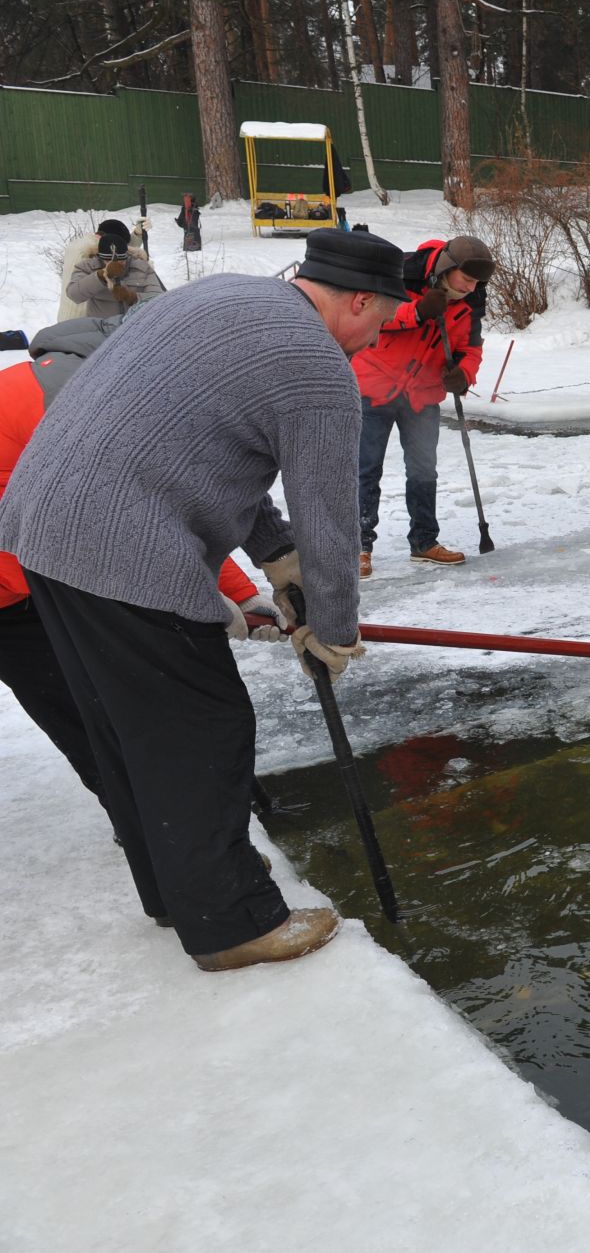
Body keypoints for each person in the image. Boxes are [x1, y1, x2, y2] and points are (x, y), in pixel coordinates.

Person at [0, 228, 407, 971]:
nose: (377, 335)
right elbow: (332, 517)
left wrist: (276, 559)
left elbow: (203, 444)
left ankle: (171, 891)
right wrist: (334, 628)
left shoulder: (223, 296)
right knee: (203, 726)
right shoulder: (318, 366)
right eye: (381, 319)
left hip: (41, 530)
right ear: (357, 300)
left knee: (127, 732)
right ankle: (232, 921)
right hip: (122, 547)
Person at [0, 316, 281, 813]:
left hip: (37, 579)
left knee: (104, 699)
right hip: (15, 591)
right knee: (82, 708)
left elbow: (160, 504)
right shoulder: (72, 402)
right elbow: (112, 516)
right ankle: (155, 828)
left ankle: (189, 819)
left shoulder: (82, 383)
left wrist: (238, 592)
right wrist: (186, 588)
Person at [352, 235, 494, 577]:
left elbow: (471, 349)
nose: (472, 287)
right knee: (365, 468)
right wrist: (415, 311)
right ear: (448, 267)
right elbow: (372, 317)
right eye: (467, 279)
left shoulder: (471, 303)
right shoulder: (402, 274)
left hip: (423, 394)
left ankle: (424, 542)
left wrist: (463, 374)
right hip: (375, 386)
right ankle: (357, 547)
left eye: (477, 282)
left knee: (423, 470)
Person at [63, 219, 165, 318]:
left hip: (76, 317)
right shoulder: (88, 259)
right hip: (81, 317)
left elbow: (118, 251)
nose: (115, 262)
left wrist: (137, 234)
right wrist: (102, 275)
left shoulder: (79, 245)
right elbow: (116, 252)